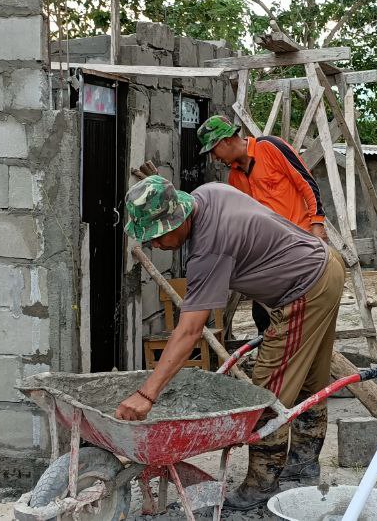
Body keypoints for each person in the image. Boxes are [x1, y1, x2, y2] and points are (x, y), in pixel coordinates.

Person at [116, 175, 346, 511]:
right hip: (324, 266)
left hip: (305, 290)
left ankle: (261, 484)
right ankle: (303, 465)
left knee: (268, 391)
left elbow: (190, 330)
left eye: (157, 237)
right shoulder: (207, 193)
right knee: (309, 379)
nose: (156, 245)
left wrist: (146, 393)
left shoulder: (209, 246)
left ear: (176, 219)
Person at [196, 115, 328, 333]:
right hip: (270, 253)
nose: (214, 158)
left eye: (213, 151)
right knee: (263, 316)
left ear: (225, 141)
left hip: (300, 244)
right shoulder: (235, 179)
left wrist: (317, 224)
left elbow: (307, 183)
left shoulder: (270, 147)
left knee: (303, 311)